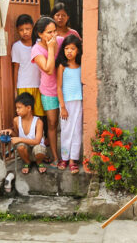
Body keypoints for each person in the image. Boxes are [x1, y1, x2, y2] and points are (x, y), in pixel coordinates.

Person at [31, 16, 64, 168]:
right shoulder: (36, 50)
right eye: (49, 32)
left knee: (66, 123)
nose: (53, 35)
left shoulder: (60, 41)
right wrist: (51, 49)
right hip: (49, 91)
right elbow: (49, 70)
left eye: (54, 31)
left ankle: (68, 156)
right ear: (40, 34)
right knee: (52, 123)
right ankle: (55, 157)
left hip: (64, 89)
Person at [1, 92, 47, 174]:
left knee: (39, 149)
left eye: (19, 108)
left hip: (37, 150)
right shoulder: (16, 120)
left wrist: (19, 139)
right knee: (20, 147)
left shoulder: (38, 122)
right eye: (16, 108)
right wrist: (11, 132)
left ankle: (39, 162)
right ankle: (27, 162)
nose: (17, 110)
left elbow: (37, 141)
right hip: (25, 151)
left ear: (29, 108)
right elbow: (17, 136)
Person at [56, 35, 83, 174]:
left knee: (77, 132)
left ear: (78, 50)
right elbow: (59, 87)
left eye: (72, 48)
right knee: (66, 131)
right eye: (66, 48)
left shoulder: (81, 66)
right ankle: (64, 158)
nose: (69, 51)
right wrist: (62, 107)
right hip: (66, 103)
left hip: (78, 102)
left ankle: (73, 159)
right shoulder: (62, 66)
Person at [11, 14, 45, 118]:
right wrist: (15, 90)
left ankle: (39, 134)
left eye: (27, 29)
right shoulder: (17, 46)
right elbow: (16, 69)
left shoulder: (40, 44)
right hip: (23, 86)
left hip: (40, 86)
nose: (25, 32)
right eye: (21, 30)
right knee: (25, 116)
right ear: (17, 30)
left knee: (40, 116)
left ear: (33, 28)